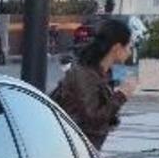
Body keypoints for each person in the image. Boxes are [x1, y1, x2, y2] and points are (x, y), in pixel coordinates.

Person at [50, 18, 137, 150]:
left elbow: (102, 114)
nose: (130, 52)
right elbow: (93, 117)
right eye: (129, 46)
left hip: (83, 149)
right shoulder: (84, 74)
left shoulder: (103, 73)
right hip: (68, 150)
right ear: (117, 48)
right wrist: (122, 95)